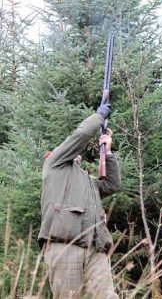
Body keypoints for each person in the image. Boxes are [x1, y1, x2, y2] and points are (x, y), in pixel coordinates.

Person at [38, 102, 121, 299]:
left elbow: (112, 185)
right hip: (64, 246)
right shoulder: (55, 165)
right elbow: (80, 136)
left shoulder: (86, 180)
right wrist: (99, 116)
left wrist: (108, 152)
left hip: (95, 247)